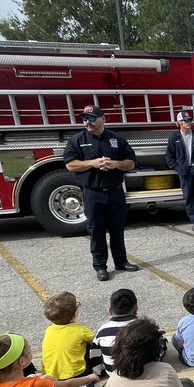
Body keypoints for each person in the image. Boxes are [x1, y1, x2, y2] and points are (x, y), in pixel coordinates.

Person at [62, 104, 140, 281]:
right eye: (84, 118)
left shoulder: (116, 139)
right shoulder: (77, 140)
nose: (87, 122)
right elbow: (70, 164)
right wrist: (93, 163)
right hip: (93, 193)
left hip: (115, 192)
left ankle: (121, 261)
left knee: (117, 229)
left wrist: (116, 164)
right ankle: (100, 266)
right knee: (96, 231)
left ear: (103, 119)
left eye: (91, 118)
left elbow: (131, 162)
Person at [165, 110, 194, 232]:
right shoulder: (174, 137)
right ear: (179, 122)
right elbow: (169, 156)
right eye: (185, 120)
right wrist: (178, 168)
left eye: (189, 120)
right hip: (184, 171)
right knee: (189, 197)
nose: (188, 122)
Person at [41, 292, 95, 387]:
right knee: (89, 344)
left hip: (52, 376)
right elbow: (96, 341)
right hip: (76, 375)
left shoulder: (49, 330)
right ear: (75, 313)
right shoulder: (80, 329)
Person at [93, 289, 140, 375]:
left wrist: (97, 372)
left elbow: (94, 354)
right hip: (141, 374)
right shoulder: (144, 328)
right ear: (136, 309)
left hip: (113, 375)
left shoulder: (103, 331)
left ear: (109, 310)